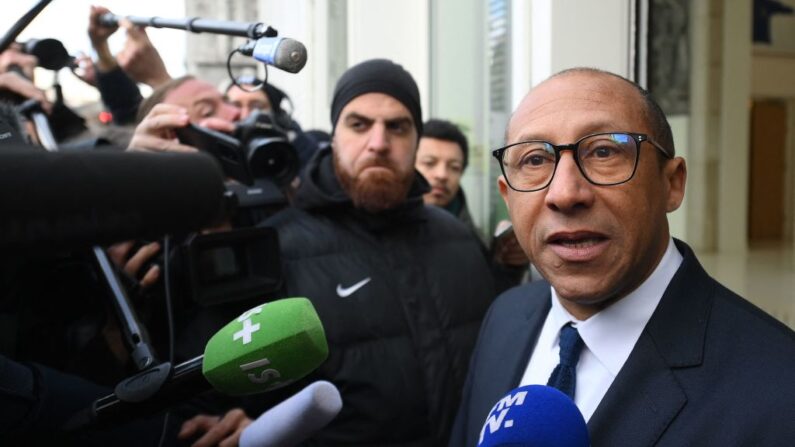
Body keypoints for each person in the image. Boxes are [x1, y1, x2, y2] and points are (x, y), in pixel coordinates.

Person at [450, 67, 795, 446]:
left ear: (672, 183)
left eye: (603, 151)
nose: (564, 193)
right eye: (534, 160)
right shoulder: (504, 317)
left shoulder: (779, 387)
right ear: (507, 197)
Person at [181, 59, 495, 446]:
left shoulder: (459, 239)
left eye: (397, 127)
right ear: (334, 135)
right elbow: (206, 399)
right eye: (359, 125)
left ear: (416, 140)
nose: (378, 143)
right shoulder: (273, 248)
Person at [416, 118, 529, 290]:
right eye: (429, 163)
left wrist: (508, 266)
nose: (441, 174)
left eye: (454, 167)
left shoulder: (473, 242)